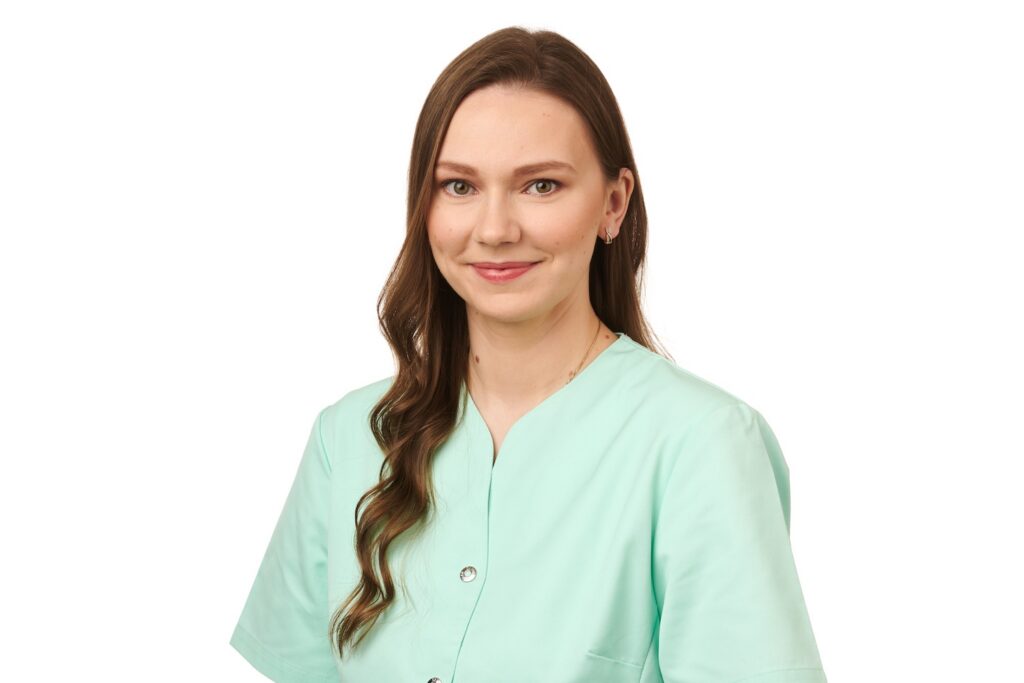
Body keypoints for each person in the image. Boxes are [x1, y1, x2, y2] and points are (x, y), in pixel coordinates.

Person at [229, 26, 828, 683]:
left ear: (613, 203)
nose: (494, 229)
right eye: (459, 186)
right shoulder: (348, 438)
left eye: (540, 185)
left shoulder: (702, 446)